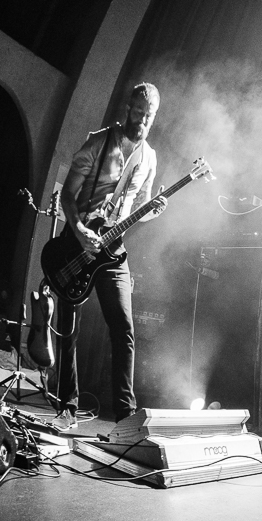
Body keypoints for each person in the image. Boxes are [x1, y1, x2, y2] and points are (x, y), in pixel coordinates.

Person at [52, 82, 168, 428]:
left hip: (113, 249)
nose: (142, 121)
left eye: (149, 116)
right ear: (128, 108)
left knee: (124, 328)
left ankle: (124, 416)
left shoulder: (150, 157)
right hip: (78, 240)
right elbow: (67, 197)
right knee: (69, 325)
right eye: (138, 112)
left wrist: (154, 209)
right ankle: (67, 407)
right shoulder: (98, 142)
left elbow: (140, 208)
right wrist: (81, 230)